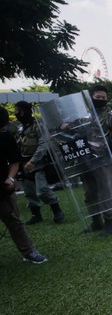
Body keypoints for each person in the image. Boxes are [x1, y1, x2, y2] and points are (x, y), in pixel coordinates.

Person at [64, 85, 112, 237]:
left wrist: (111, 145)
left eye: (103, 98)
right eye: (97, 97)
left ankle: (108, 223)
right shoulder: (84, 116)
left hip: (103, 161)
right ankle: (96, 221)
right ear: (90, 97)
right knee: (90, 193)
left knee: (105, 192)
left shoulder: (110, 116)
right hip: (85, 160)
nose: (100, 100)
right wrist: (64, 126)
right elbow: (72, 128)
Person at [0, 107, 48, 264]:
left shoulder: (6, 136)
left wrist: (11, 179)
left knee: (14, 221)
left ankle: (28, 251)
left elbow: (14, 160)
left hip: (4, 189)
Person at [13, 101, 64, 225]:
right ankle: (36, 214)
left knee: (42, 189)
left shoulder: (38, 126)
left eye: (18, 111)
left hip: (38, 163)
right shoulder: (20, 128)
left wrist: (33, 161)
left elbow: (43, 145)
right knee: (29, 191)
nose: (17, 114)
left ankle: (57, 210)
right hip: (23, 164)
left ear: (25, 111)